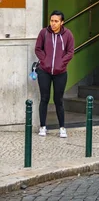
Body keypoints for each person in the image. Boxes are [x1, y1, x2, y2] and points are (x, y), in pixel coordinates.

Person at [34, 10, 75, 138]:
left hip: (60, 72)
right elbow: (38, 49)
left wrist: (61, 64)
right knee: (44, 98)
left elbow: (70, 52)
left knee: (58, 100)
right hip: (44, 71)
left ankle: (62, 127)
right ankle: (42, 126)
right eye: (52, 20)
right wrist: (44, 61)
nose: (53, 23)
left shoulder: (68, 35)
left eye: (56, 21)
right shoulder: (43, 33)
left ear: (62, 22)